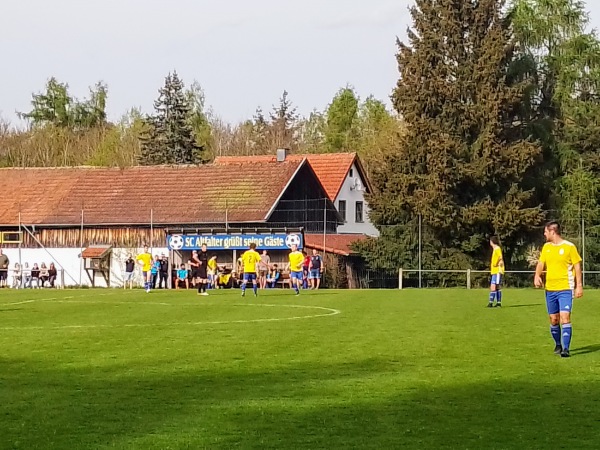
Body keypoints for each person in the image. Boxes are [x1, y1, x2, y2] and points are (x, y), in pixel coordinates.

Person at [534, 221, 583, 358]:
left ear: (552, 232)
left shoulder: (569, 247)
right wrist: (537, 275)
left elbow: (577, 267)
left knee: (565, 317)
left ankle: (566, 349)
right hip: (550, 289)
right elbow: (541, 263)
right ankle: (558, 344)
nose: (544, 234)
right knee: (553, 319)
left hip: (565, 288)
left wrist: (579, 285)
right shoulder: (546, 247)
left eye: (545, 231)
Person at [488, 236, 504, 308]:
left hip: (497, 270)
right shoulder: (495, 249)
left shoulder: (497, 249)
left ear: (492, 242)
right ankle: (497, 303)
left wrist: (496, 263)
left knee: (494, 286)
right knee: (495, 287)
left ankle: (493, 303)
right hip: (495, 271)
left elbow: (500, 257)